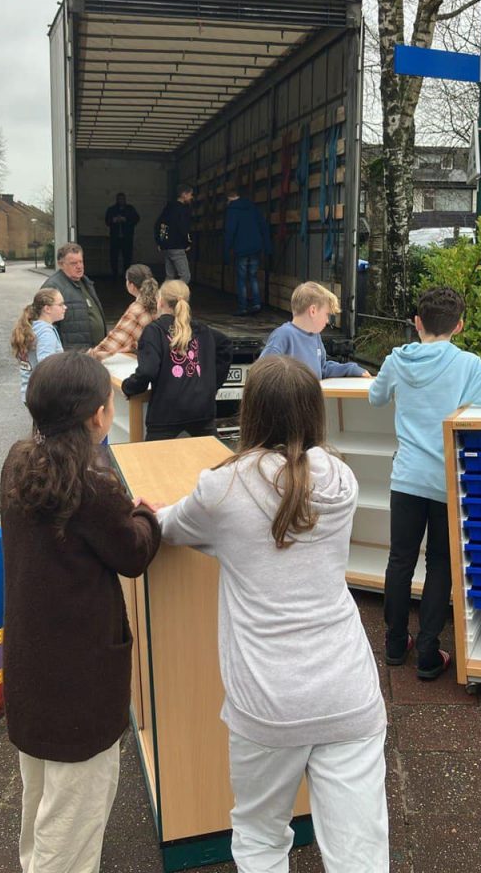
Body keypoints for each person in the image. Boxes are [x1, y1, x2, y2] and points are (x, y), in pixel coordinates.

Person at [157, 355, 388, 873]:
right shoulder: (343, 481)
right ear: (314, 413)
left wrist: (150, 514)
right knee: (360, 851)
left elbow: (171, 526)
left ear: (251, 413)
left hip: (267, 699)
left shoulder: (222, 490)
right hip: (348, 691)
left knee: (261, 835)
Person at [0, 352, 160, 873]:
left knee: (42, 795)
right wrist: (145, 515)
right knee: (74, 815)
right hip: (80, 679)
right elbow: (132, 553)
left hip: (31, 665)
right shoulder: (92, 482)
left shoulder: (19, 462)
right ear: (97, 415)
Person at [369, 285, 481, 680]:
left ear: (417, 322)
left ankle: (394, 644)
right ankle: (427, 653)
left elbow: (375, 398)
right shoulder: (466, 364)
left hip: (406, 479)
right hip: (444, 482)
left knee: (400, 560)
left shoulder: (396, 360)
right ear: (460, 325)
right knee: (440, 561)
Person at [122, 279, 232, 440]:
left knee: (153, 456)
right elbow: (226, 346)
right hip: (202, 411)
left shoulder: (154, 331)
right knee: (211, 455)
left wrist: (129, 387)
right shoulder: (202, 330)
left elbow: (147, 371)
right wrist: (210, 385)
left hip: (165, 414)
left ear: (160, 301)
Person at [261, 281, 370, 378]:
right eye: (326, 314)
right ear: (313, 311)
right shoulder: (283, 335)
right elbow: (262, 372)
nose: (327, 320)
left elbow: (323, 368)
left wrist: (350, 369)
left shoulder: (315, 336)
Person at [42, 242, 107, 351]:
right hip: (74, 354)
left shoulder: (86, 282)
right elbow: (45, 325)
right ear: (61, 264)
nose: (79, 266)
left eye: (81, 261)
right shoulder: (52, 287)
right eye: (73, 263)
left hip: (93, 351)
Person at [88, 264, 159, 361]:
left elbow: (115, 341)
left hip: (149, 362)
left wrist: (91, 355)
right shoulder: (162, 302)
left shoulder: (137, 310)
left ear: (131, 285)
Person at [10, 288, 66, 401]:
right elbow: (47, 367)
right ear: (47, 309)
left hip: (29, 392)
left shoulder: (33, 328)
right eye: (61, 304)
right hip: (43, 396)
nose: (65, 307)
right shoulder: (46, 333)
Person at [224, 188, 271, 316]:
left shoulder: (232, 210)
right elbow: (263, 226)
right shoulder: (253, 208)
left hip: (241, 248)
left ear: (229, 199)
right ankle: (256, 304)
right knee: (253, 277)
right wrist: (267, 247)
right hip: (256, 247)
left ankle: (243, 307)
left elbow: (230, 231)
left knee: (241, 279)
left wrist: (226, 250)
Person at [154, 186, 194, 283]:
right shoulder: (182, 209)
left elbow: (160, 225)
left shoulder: (168, 208)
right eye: (190, 194)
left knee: (170, 277)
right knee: (185, 276)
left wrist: (161, 242)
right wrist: (187, 243)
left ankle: (166, 293)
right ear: (184, 194)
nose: (191, 197)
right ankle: (177, 293)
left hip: (167, 247)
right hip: (177, 246)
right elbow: (183, 228)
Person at [105, 192, 140, 278]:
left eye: (122, 199)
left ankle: (126, 274)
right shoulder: (112, 209)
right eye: (119, 199)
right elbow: (107, 221)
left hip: (127, 238)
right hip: (115, 238)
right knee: (114, 257)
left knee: (127, 257)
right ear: (117, 200)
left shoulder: (130, 209)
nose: (121, 201)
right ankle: (114, 274)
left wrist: (126, 219)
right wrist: (114, 220)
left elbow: (136, 219)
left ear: (125, 200)